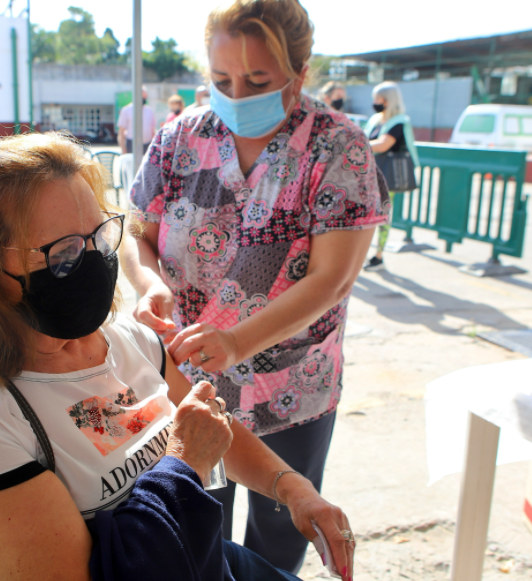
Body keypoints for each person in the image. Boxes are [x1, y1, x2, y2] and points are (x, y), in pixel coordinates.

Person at [0, 131, 357, 581]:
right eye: (63, 252)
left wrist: (293, 488)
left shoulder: (127, 340)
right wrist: (184, 463)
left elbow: (208, 427)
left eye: (99, 237)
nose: (91, 263)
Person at [121, 0, 388, 574]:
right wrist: (149, 284)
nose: (237, 96)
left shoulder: (338, 147)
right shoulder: (179, 138)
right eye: (222, 80)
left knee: (281, 533)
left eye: (258, 81)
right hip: (187, 381)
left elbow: (332, 279)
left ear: (299, 71)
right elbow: (136, 233)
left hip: (292, 386)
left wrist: (238, 342)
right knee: (195, 528)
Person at [363, 81, 419, 271]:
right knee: (366, 215)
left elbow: (383, 145)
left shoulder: (399, 122)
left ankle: (378, 255)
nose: (375, 102)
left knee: (382, 215)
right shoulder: (375, 120)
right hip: (368, 175)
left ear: (388, 100)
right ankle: (363, 253)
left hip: (386, 178)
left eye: (378, 98)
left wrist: (356, 146)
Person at [117, 86, 157, 156]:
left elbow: (152, 130)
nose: (143, 99)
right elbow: (121, 132)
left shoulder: (149, 110)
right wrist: (123, 149)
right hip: (132, 144)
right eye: (142, 97)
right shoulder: (126, 110)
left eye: (145, 97)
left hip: (147, 144)